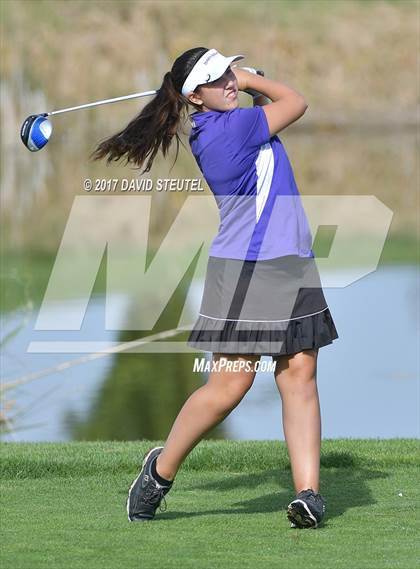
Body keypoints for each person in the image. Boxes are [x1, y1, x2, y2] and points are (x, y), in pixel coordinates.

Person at [91, 47, 339, 529]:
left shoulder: (221, 122)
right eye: (217, 78)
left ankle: (309, 496)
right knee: (230, 385)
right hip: (247, 271)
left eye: (228, 70)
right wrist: (251, 80)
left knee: (299, 377)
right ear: (196, 98)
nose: (228, 80)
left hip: (290, 262)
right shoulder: (233, 128)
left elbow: (263, 118)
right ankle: (159, 472)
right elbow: (296, 101)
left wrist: (237, 87)